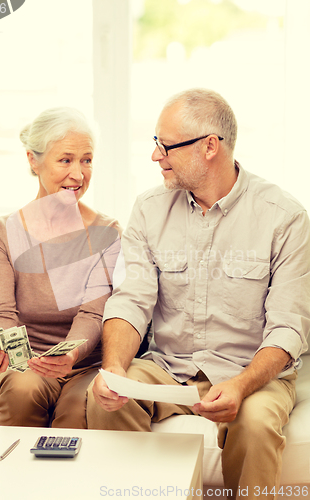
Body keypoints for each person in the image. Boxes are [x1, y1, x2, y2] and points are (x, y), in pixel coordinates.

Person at [87, 89, 310, 498]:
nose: (157, 156)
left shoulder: (286, 218)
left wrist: (241, 385)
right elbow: (131, 300)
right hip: (168, 366)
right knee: (105, 396)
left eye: (165, 145)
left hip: (250, 372)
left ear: (210, 147)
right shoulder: (149, 209)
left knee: (258, 423)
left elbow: (288, 329)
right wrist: (115, 366)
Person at [0, 106, 122, 428]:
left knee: (79, 410)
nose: (78, 175)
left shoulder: (108, 233)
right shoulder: (1, 232)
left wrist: (69, 357)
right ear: (32, 160)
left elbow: (93, 314)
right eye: (65, 160)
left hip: (85, 363)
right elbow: (1, 312)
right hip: (22, 360)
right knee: (24, 391)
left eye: (87, 160)